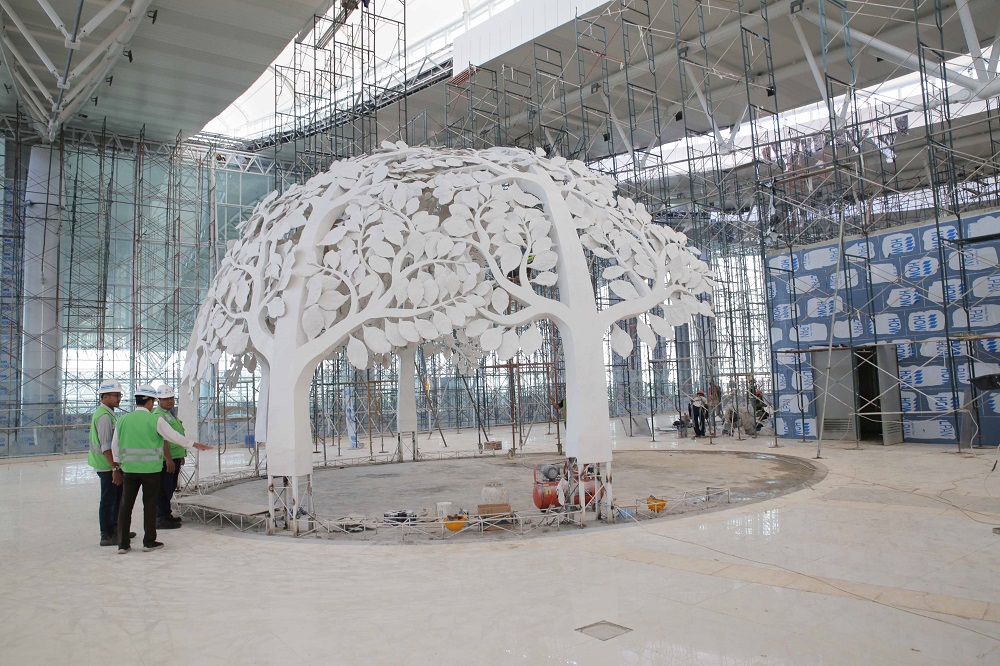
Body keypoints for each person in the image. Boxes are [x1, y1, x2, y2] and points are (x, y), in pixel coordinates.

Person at [113, 384, 211, 554]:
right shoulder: (155, 420)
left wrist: (116, 466)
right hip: (150, 470)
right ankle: (148, 542)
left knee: (125, 505)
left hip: (129, 470)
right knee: (149, 505)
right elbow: (173, 436)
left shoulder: (122, 420)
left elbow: (115, 445)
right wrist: (194, 445)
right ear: (151, 402)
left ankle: (123, 544)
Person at [87, 379, 134, 547]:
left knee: (117, 498)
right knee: (108, 500)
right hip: (107, 466)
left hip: (111, 465)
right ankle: (106, 534)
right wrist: (114, 468)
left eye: (120, 395)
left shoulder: (109, 414)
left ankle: (117, 528)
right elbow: (106, 446)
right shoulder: (104, 418)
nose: (119, 399)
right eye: (116, 396)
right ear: (105, 396)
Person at [154, 385, 186, 529]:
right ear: (158, 400)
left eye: (171, 398)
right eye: (166, 399)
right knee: (164, 488)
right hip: (168, 459)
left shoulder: (170, 414)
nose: (170, 401)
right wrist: (168, 459)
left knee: (170, 487)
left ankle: (166, 514)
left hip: (175, 456)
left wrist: (180, 455)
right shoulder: (159, 416)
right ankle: (161, 517)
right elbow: (163, 439)